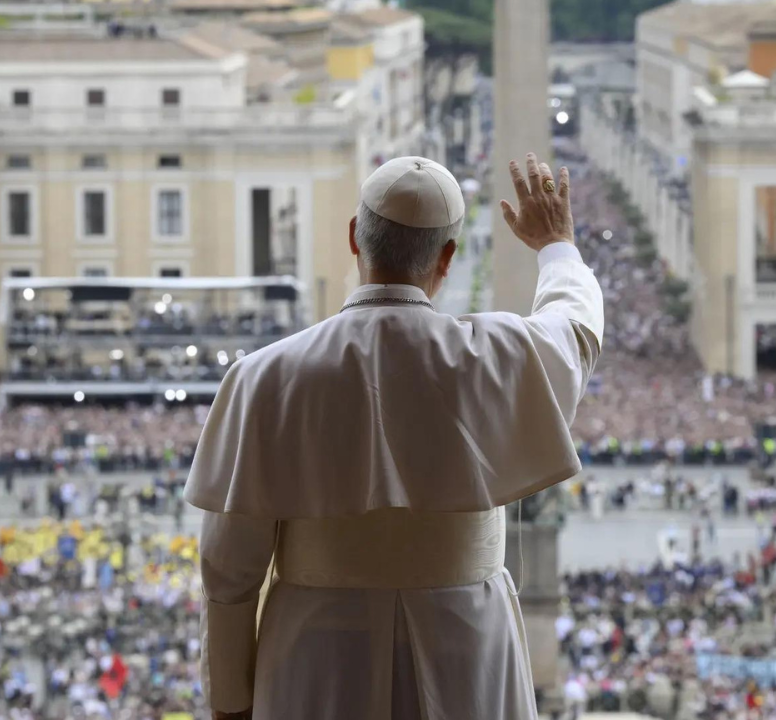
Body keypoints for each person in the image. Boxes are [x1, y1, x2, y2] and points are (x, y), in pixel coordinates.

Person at [187, 154, 603, 720]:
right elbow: (575, 330)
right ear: (448, 259)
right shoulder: (496, 358)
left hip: (316, 654)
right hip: (467, 647)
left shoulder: (263, 376)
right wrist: (556, 246)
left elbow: (228, 569)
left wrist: (231, 701)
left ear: (356, 238)